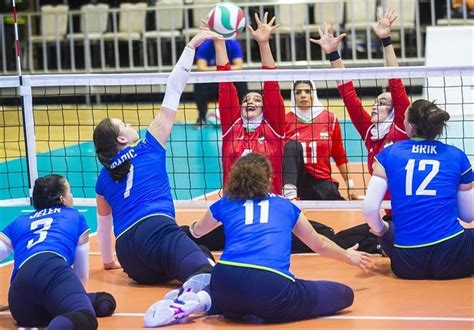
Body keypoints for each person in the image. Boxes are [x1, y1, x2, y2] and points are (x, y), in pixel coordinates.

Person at [144, 153, 373, 327]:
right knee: (344, 294)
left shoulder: (225, 203)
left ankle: (202, 300)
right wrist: (349, 256)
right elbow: (318, 244)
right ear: (268, 179)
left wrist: (183, 233)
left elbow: (197, 232)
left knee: (233, 296)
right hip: (270, 289)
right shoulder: (286, 205)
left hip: (225, 281)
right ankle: (209, 299)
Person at [92, 30, 220, 290]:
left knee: (195, 249)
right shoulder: (150, 146)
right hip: (158, 232)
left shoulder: (103, 177)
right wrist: (190, 48)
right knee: (210, 274)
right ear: (121, 140)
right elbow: (174, 89)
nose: (129, 124)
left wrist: (108, 262)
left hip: (131, 259)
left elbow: (104, 227)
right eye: (123, 125)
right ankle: (182, 304)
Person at [363, 100, 473, 279]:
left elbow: (369, 209)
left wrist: (383, 231)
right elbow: (468, 215)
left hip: (407, 265)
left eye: (404, 118)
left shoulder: (390, 153)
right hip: (454, 259)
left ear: (411, 126)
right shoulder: (456, 155)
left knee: (389, 228)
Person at [0, 174, 116, 330]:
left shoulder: (19, 221)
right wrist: (74, 297)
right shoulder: (74, 216)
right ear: (62, 198)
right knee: (85, 318)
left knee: (105, 302)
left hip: (20, 299)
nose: (72, 196)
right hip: (52, 271)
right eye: (69, 192)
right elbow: (81, 276)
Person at [312, 9, 409, 178]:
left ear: (394, 111)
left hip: (405, 201)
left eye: (383, 103)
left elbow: (395, 81)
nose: (374, 107)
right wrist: (332, 54)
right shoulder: (369, 131)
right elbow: (349, 97)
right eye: (375, 102)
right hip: (384, 202)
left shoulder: (400, 125)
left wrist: (386, 39)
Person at [217, 12, 285, 195]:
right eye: (246, 99)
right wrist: (219, 41)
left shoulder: (273, 127)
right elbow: (225, 83)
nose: (250, 101)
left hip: (269, 202)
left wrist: (263, 43)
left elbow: (271, 84)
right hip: (234, 203)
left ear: (265, 108)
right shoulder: (232, 126)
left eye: (257, 99)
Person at [283, 80, 357, 200]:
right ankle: (290, 195)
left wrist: (351, 185)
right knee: (292, 146)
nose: (303, 95)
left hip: (321, 179)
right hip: (298, 181)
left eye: (307, 91)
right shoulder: (285, 121)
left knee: (335, 204)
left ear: (314, 93)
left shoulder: (330, 118)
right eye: (298, 92)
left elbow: (339, 154)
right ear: (293, 96)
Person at [193, 39, 247, 126]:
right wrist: (221, 69)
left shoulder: (233, 44)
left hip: (228, 81)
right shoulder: (205, 45)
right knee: (199, 84)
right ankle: (202, 117)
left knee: (241, 82)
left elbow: (239, 66)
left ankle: (242, 117)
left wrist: (221, 70)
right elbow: (201, 67)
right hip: (212, 82)